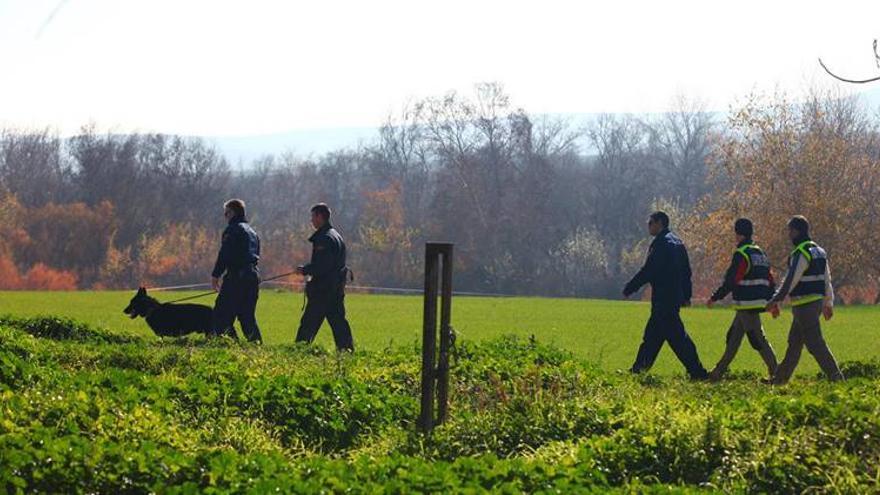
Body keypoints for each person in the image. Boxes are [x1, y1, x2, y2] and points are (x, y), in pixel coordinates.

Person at [623, 211, 709, 380]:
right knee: (652, 337)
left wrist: (630, 287)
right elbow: (686, 272)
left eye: (650, 223)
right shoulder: (677, 242)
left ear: (659, 223)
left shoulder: (661, 244)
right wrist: (686, 295)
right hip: (673, 297)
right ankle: (638, 371)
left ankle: (698, 372)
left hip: (664, 298)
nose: (648, 226)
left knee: (678, 339)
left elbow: (649, 271)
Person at [766, 216, 843, 384]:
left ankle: (837, 378)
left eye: (790, 231)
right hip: (814, 303)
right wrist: (828, 303)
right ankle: (779, 379)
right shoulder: (819, 251)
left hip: (804, 305)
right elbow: (826, 279)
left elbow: (791, 280)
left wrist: (776, 299)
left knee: (815, 344)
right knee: (794, 343)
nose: (789, 235)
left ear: (796, 231)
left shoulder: (801, 252)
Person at [705, 218, 779, 381]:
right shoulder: (760, 253)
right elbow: (770, 280)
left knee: (757, 339)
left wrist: (715, 297)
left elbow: (731, 280)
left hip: (747, 304)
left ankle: (777, 373)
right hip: (755, 303)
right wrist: (773, 300)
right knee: (733, 337)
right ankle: (718, 372)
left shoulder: (742, 254)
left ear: (738, 234)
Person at [295, 203, 354, 351]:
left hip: (323, 289)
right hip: (336, 288)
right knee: (339, 322)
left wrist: (305, 270)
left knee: (309, 323)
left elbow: (322, 266)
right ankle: (347, 352)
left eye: (313, 216)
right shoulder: (336, 235)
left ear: (320, 217)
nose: (311, 220)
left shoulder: (324, 238)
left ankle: (298, 352)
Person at [211, 198, 263, 343]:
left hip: (236, 278)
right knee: (247, 317)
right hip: (253, 277)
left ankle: (230, 346)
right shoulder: (253, 232)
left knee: (220, 315)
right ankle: (257, 347)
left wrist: (216, 275)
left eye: (226, 213)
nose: (225, 217)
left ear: (233, 213)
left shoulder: (232, 230)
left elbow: (225, 254)